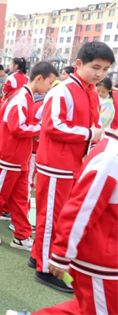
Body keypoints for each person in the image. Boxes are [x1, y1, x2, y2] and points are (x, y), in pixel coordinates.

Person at [6, 128, 118, 315]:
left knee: (84, 309)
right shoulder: (111, 157)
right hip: (100, 259)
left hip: (105, 256)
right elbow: (81, 208)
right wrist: (62, 253)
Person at [32, 41, 114, 292]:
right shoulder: (64, 90)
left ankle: (38, 257)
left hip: (69, 164)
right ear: (79, 64)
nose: (100, 74)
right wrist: (90, 134)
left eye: (106, 69)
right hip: (56, 164)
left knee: (54, 215)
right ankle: (45, 269)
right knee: (51, 217)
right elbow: (52, 126)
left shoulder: (88, 90)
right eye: (95, 67)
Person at [0, 62, 58, 250]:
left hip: (19, 157)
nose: (50, 88)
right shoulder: (21, 97)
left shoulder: (26, 96)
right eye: (50, 83)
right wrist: (42, 129)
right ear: (39, 79)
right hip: (10, 156)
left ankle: (22, 235)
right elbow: (17, 127)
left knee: (20, 199)